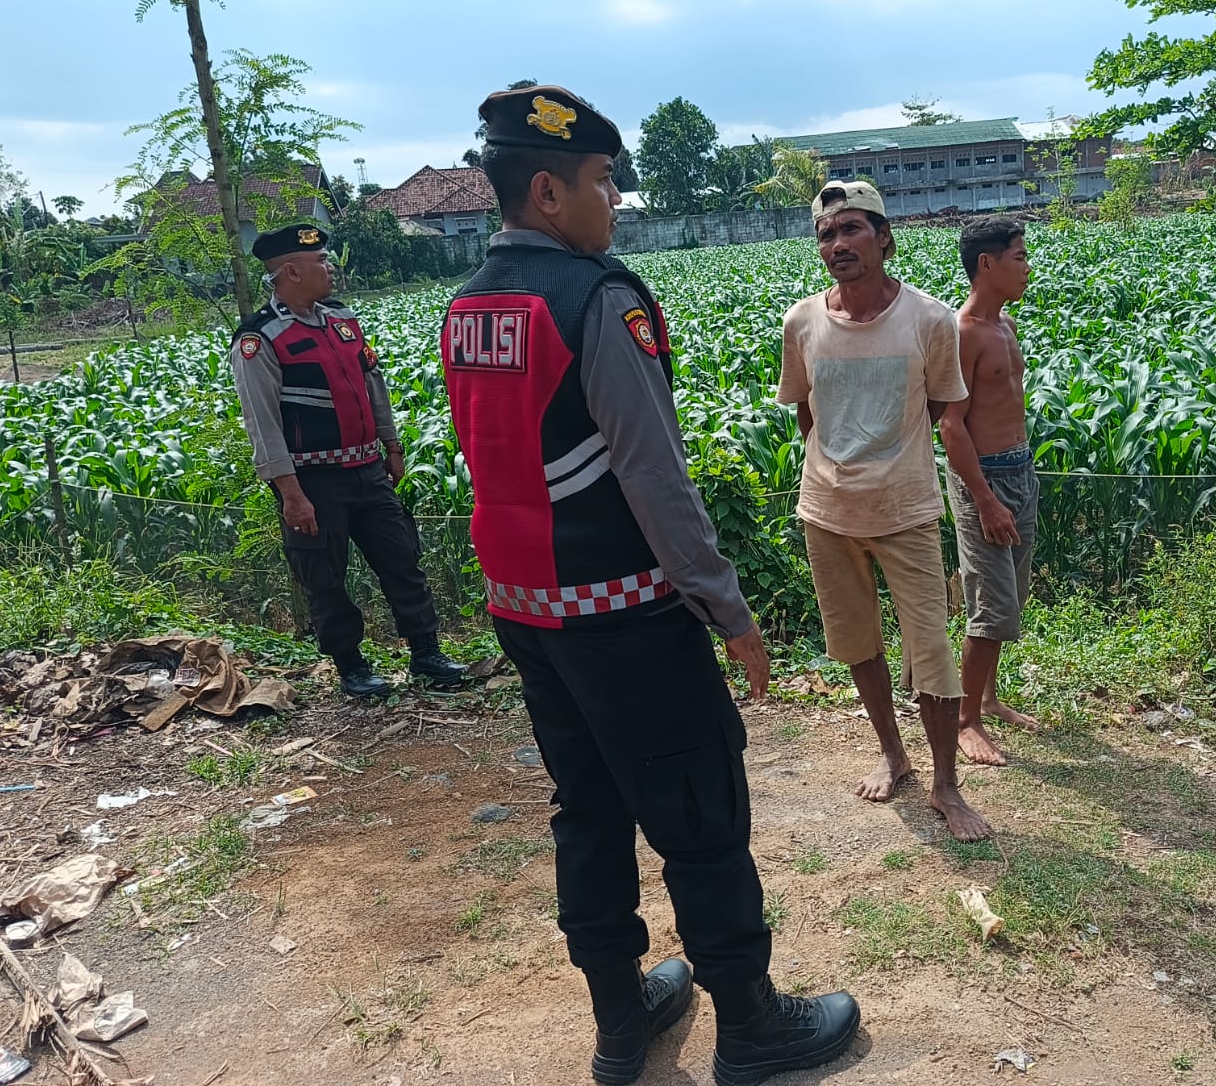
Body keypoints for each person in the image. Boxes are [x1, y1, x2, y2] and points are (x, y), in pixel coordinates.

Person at [440, 85, 858, 1086]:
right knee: (698, 814)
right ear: (547, 191)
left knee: (585, 806)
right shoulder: (595, 300)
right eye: (599, 181)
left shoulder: (469, 308)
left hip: (527, 613)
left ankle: (622, 1025)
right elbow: (655, 479)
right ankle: (752, 1026)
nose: (613, 200)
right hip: (622, 610)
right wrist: (728, 610)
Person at [777, 180, 993, 842]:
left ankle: (946, 787)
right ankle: (893, 754)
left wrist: (890, 452)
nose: (837, 244)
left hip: (905, 510)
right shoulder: (802, 322)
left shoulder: (928, 319)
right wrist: (841, 462)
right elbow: (807, 411)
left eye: (851, 230)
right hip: (827, 511)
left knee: (930, 648)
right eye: (826, 235)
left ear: (883, 236)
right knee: (856, 643)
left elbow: (940, 405)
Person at [229, 223, 466, 700]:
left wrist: (393, 447)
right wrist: (290, 494)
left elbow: (372, 387)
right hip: (312, 481)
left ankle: (426, 652)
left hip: (367, 470)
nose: (330, 267)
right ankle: (352, 666)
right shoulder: (261, 338)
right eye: (320, 262)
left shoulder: (342, 321)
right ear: (291, 272)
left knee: (402, 559)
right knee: (325, 577)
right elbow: (262, 422)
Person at [936, 217, 1043, 767]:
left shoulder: (1006, 326)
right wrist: (985, 499)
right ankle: (965, 719)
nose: (1027, 267)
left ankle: (989, 699)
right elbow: (951, 426)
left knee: (1012, 595)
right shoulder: (965, 333)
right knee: (990, 604)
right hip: (985, 481)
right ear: (988, 264)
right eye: (1019, 257)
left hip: (1020, 471)